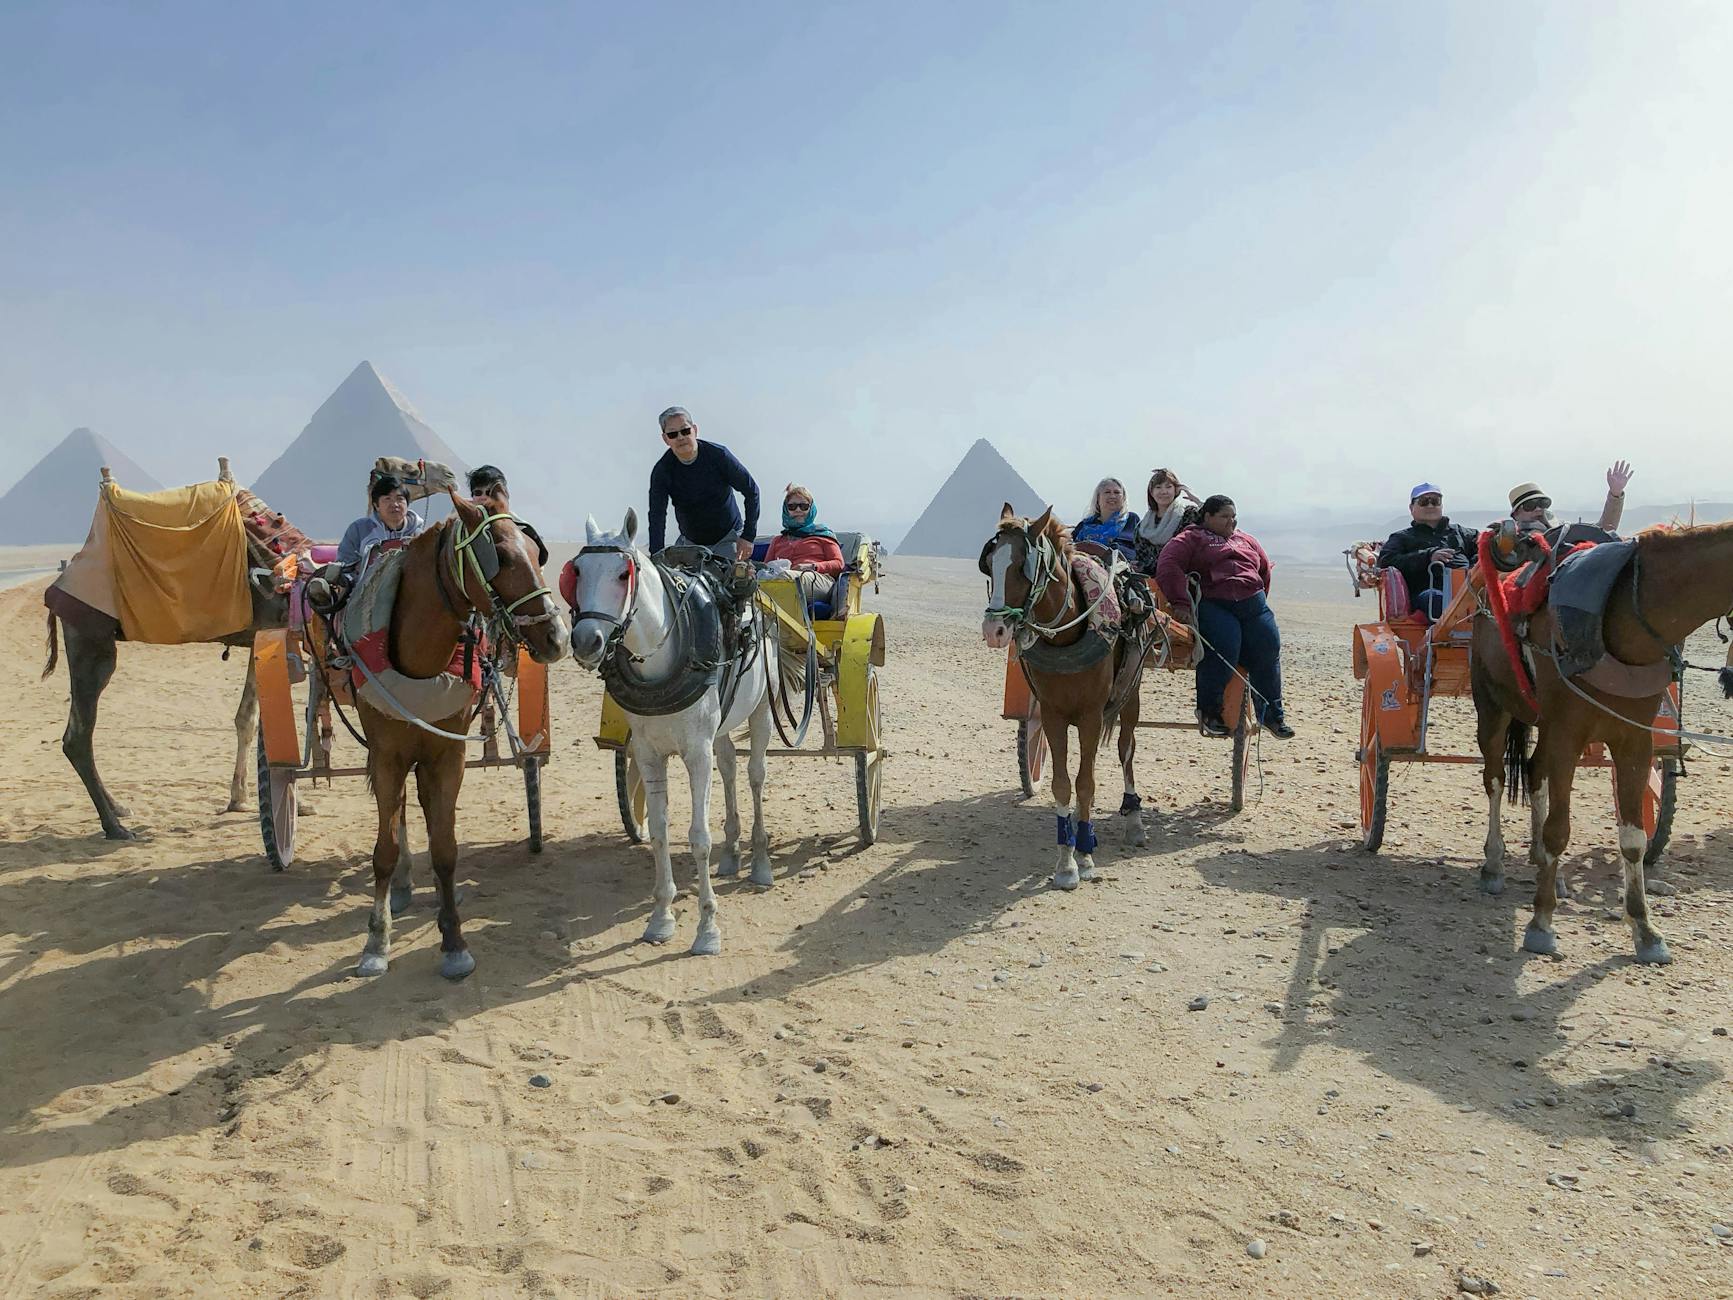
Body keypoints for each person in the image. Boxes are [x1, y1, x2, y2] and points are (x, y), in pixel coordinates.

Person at [1155, 495, 1292, 739]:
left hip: (1253, 605)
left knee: (1268, 646)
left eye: (1234, 516)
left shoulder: (1246, 540)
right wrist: (1180, 603)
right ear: (1207, 517)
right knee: (1224, 647)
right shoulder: (1191, 538)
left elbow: (1263, 569)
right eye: (1225, 517)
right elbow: (1168, 565)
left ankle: (1272, 715)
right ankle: (1210, 714)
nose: (1232, 521)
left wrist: (1260, 600)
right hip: (1215, 603)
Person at [647, 406, 760, 563]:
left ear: (695, 430)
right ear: (666, 439)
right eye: (673, 434)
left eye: (685, 431)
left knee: (733, 582)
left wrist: (748, 536)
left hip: (728, 538)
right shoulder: (662, 471)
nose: (680, 438)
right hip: (691, 544)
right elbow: (657, 515)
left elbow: (751, 491)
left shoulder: (719, 456)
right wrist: (656, 555)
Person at [1376, 483, 1479, 621]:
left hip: (1469, 590)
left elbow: (1484, 549)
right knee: (1434, 599)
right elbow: (1386, 561)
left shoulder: (1463, 534)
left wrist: (1473, 568)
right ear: (1411, 508)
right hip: (1428, 594)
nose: (1430, 506)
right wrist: (1428, 557)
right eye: (1424, 502)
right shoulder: (1401, 538)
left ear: (1441, 506)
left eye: (1435, 501)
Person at [336, 473, 423, 590]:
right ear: (376, 505)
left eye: (400, 499)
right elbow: (345, 564)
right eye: (387, 499)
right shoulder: (359, 529)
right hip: (365, 591)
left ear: (407, 503)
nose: (395, 504)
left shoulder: (418, 533)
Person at [764, 483, 845, 606]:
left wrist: (811, 566)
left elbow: (838, 564)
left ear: (811, 508)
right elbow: (766, 567)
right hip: (781, 579)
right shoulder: (778, 540)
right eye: (792, 506)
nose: (798, 510)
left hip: (818, 580)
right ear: (786, 509)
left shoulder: (823, 535)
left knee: (786, 579)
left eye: (803, 506)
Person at [1509, 459, 1633, 534]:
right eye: (1530, 505)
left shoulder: (1563, 533)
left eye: (1542, 503)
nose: (1538, 509)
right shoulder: (1508, 545)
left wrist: (1615, 494)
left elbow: (1603, 530)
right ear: (1516, 514)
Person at [467, 463, 548, 566]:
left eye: (489, 492)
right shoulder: (462, 527)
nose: (483, 497)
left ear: (503, 495)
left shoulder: (520, 528)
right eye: (478, 493)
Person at [1133, 468, 1201, 573]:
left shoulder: (1189, 514)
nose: (1164, 491)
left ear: (1176, 490)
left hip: (1182, 575)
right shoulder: (1142, 527)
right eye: (1158, 487)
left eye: (1168, 487)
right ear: (1151, 492)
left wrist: (1196, 500)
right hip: (1149, 581)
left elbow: (1213, 519)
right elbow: (1141, 558)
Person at [1072, 478, 1139, 564]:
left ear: (1123, 498)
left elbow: (1143, 549)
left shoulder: (1131, 520)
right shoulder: (1084, 525)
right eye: (1107, 492)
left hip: (1121, 571)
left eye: (1117, 492)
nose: (1112, 496)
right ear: (1098, 498)